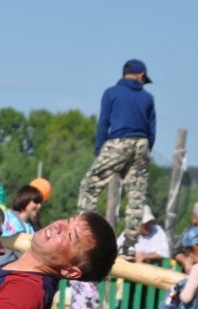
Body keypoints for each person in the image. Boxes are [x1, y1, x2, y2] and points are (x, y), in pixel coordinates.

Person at [77, 58, 155, 251]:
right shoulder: (147, 98)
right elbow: (152, 130)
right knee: (136, 194)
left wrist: (99, 150)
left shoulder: (111, 93)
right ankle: (130, 244)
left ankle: (84, 232)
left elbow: (104, 123)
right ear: (141, 76)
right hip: (142, 143)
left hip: (118, 141)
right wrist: (144, 152)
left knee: (90, 184)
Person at [0, 184, 44, 266]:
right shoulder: (10, 218)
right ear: (25, 199)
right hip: (2, 268)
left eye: (40, 203)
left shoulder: (31, 225)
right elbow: (18, 249)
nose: (39, 206)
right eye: (36, 202)